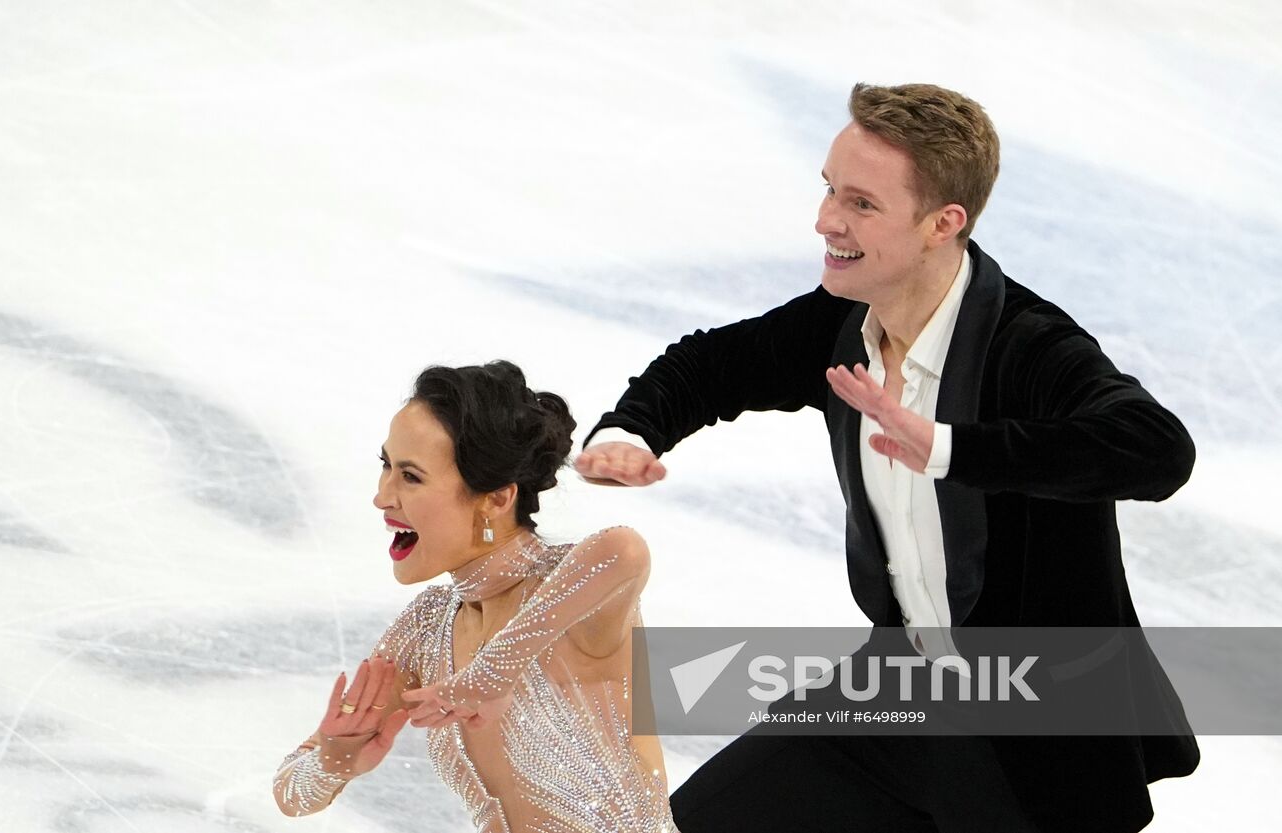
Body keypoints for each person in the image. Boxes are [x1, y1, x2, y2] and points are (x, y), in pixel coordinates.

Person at [575, 83, 1198, 832]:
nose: (826, 219)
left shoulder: (1027, 348)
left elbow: (1157, 448)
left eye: (861, 204)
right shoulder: (843, 325)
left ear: (943, 223)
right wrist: (632, 432)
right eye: (831, 190)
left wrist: (949, 446)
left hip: (1035, 737)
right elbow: (713, 364)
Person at [272, 360, 679, 832]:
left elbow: (623, 551)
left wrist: (489, 673)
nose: (382, 497)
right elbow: (290, 793)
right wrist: (336, 757)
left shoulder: (564, 591)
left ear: (496, 499)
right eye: (387, 466)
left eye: (411, 477)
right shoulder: (427, 627)